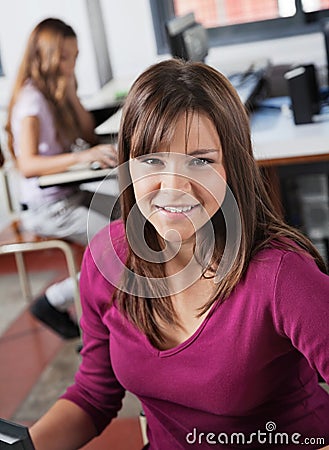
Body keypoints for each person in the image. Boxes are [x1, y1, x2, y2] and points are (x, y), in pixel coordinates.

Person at [29, 59, 329, 449]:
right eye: (151, 160)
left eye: (200, 161)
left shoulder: (282, 275)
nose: (174, 187)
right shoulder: (107, 259)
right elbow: (93, 395)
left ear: (231, 167)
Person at [5, 18, 117, 339]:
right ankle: (55, 301)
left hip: (69, 194)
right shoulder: (31, 101)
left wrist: (70, 91)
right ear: (48, 57)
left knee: (132, 216)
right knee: (122, 246)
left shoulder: (55, 92)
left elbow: (87, 134)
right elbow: (27, 165)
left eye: (76, 57)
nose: (72, 65)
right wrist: (82, 157)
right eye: (66, 58)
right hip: (47, 208)